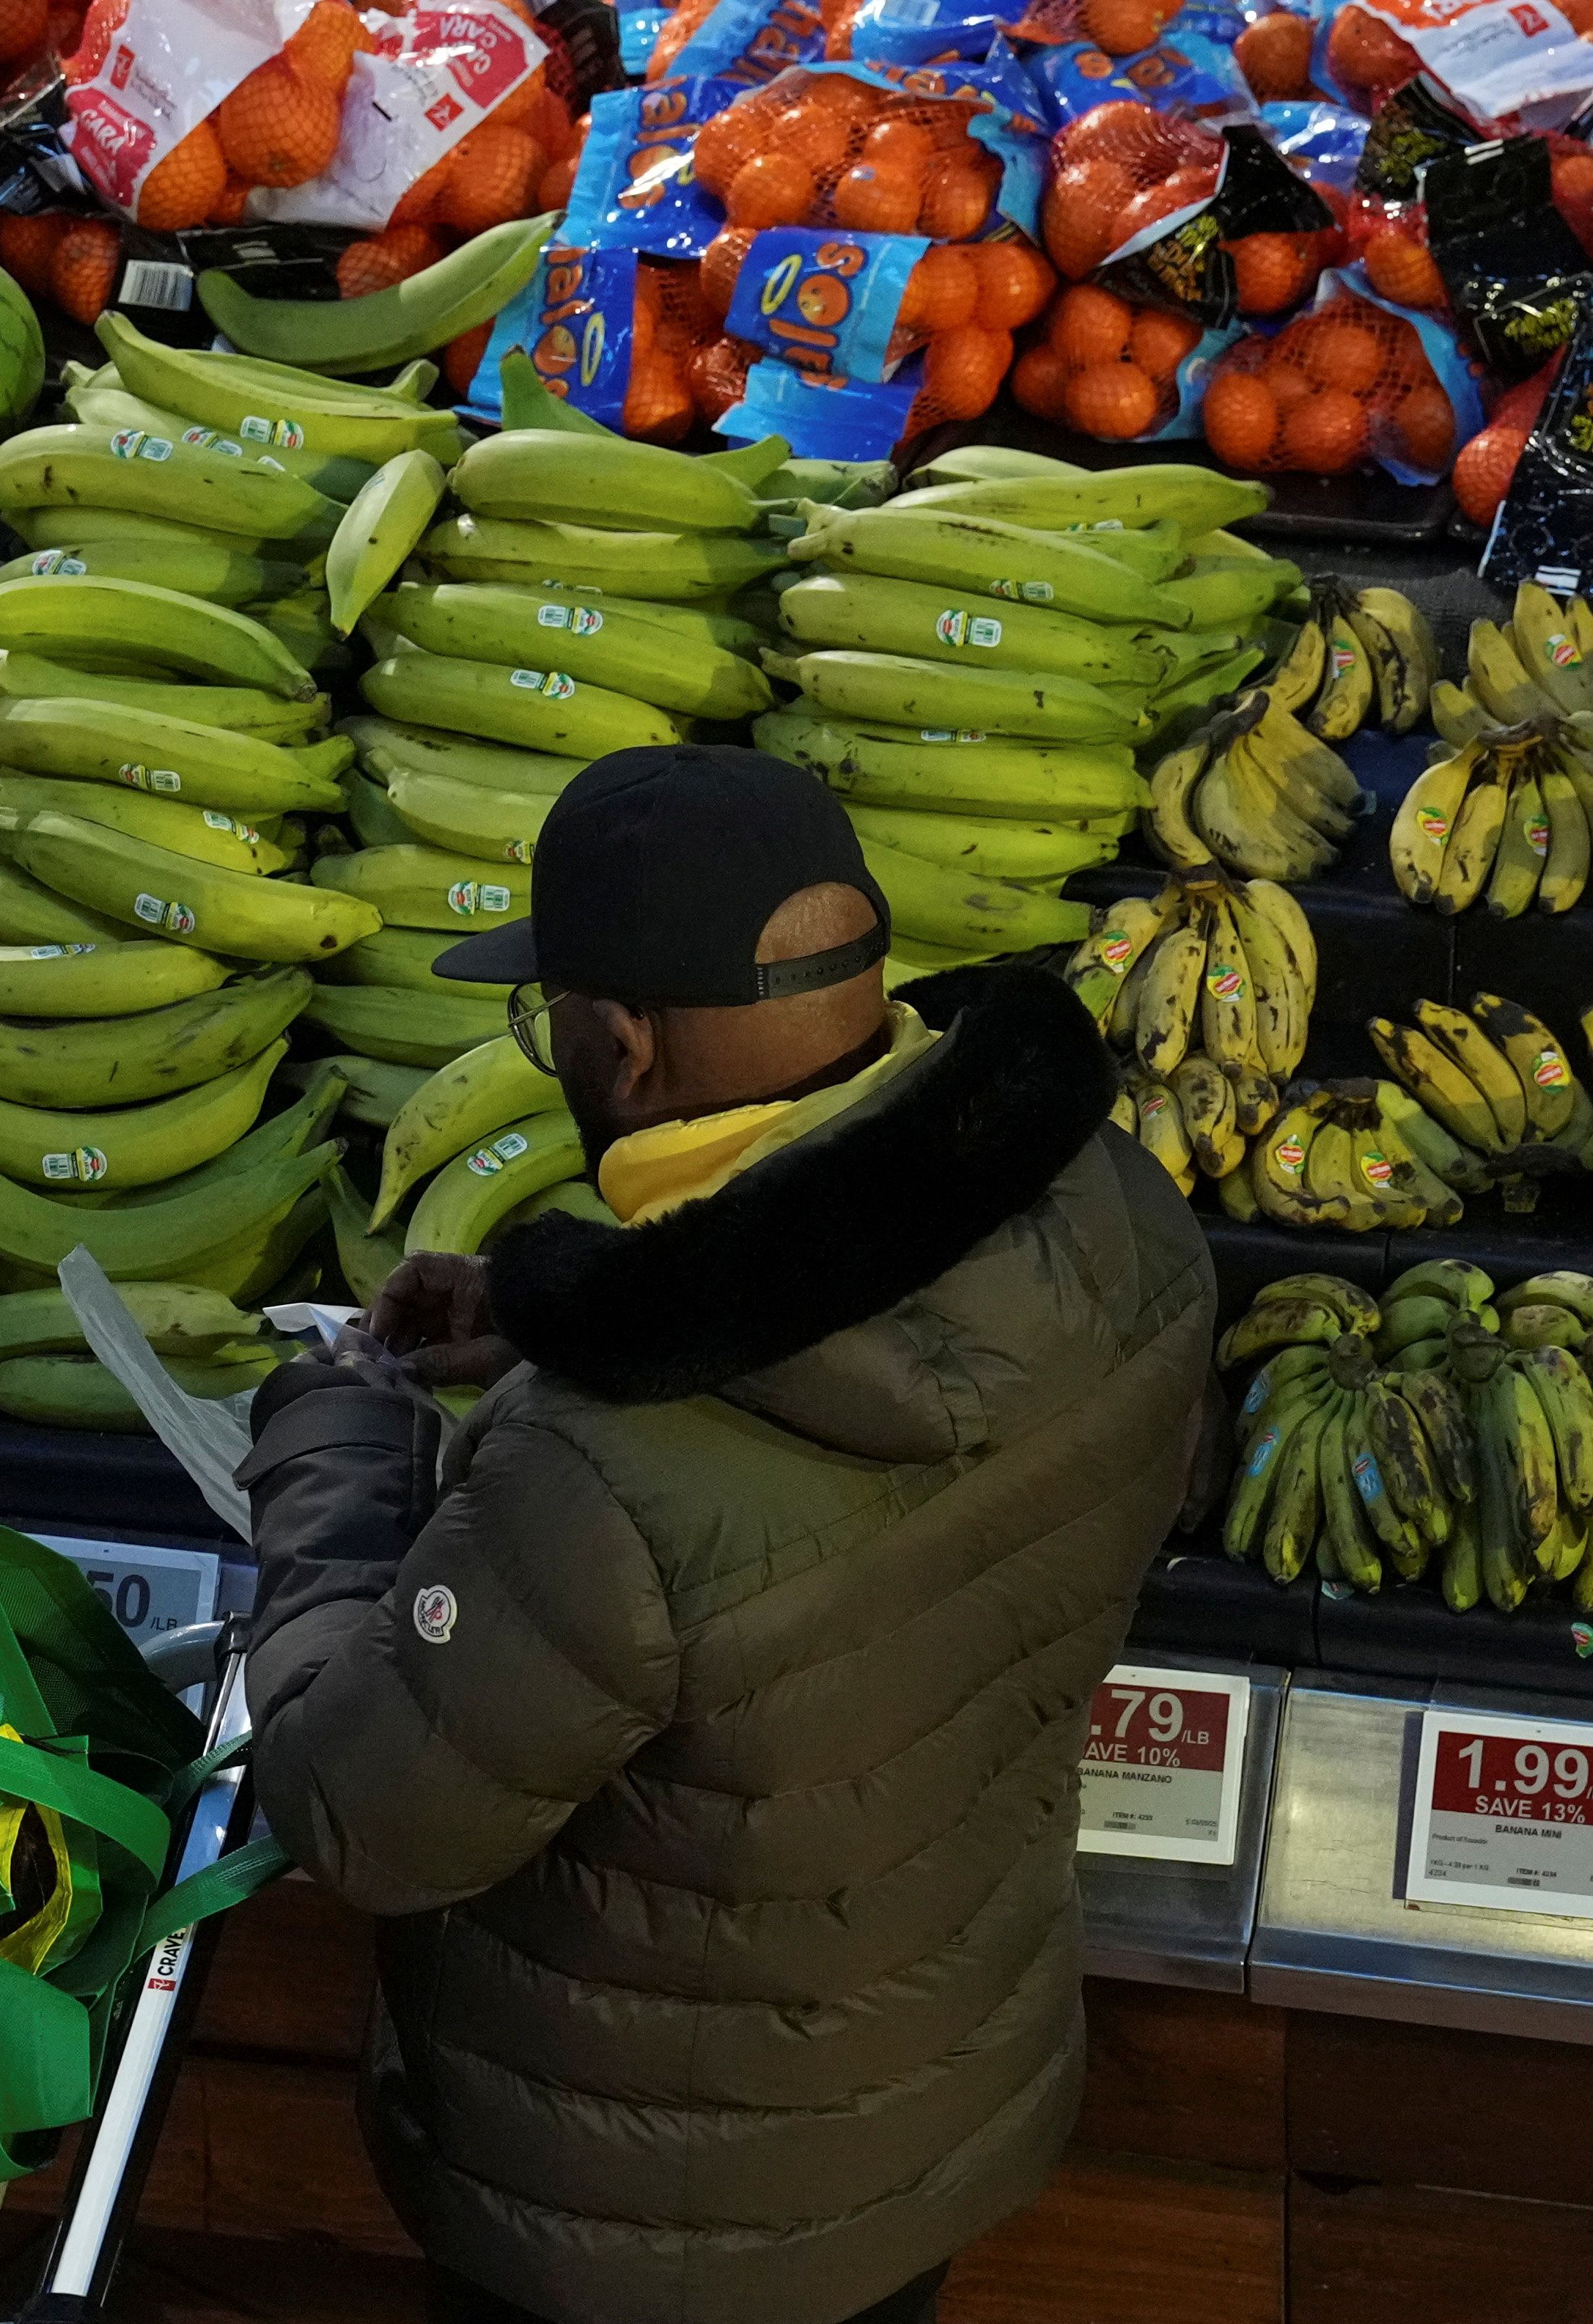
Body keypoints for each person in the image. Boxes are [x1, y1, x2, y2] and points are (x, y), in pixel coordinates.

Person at [238, 746, 1214, 2324]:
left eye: (544, 1012)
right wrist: (562, 1312)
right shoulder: (1116, 1216)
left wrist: (334, 1443)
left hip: (626, 2218)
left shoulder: (601, 1475)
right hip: (922, 2104)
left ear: (621, 1050)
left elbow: (362, 1814)